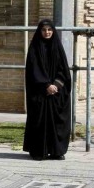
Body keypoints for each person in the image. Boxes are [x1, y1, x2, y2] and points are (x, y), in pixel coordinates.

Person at [23, 19, 72, 160]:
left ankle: (57, 151)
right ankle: (39, 151)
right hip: (40, 92)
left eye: (49, 30)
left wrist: (56, 85)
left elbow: (64, 70)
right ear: (40, 31)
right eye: (44, 30)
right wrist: (46, 85)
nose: (47, 32)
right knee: (40, 122)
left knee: (57, 122)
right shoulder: (34, 48)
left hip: (56, 91)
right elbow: (34, 70)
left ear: (53, 31)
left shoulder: (57, 47)